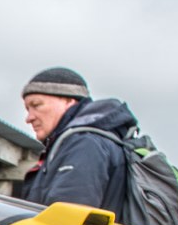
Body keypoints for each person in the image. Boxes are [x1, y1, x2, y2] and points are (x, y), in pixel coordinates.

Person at [18, 67, 137, 217]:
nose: (29, 118)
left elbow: (65, 218)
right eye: (28, 109)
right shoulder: (82, 142)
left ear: (69, 101)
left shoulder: (85, 145)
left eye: (36, 105)